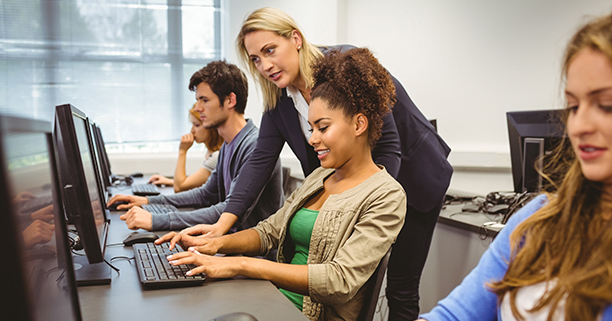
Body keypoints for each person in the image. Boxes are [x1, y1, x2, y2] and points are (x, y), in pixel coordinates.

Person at [190, 7, 453, 319]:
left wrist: (367, 202)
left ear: (296, 39)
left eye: (270, 50)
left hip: (413, 175)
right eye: (256, 59)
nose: (265, 65)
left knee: (400, 284)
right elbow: (260, 160)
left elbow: (389, 147)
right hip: (358, 184)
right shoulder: (281, 98)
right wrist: (222, 227)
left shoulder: (346, 67)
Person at [157, 47, 406, 321]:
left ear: (359, 124)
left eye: (323, 128)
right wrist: (215, 244)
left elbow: (339, 280)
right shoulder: (319, 178)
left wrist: (240, 264)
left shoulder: (386, 195)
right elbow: (268, 232)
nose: (312, 140)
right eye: (311, 129)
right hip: (271, 297)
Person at [419, 13, 612, 321]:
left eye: (606, 105)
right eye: (573, 106)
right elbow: (455, 315)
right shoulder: (540, 218)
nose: (579, 126)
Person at [106, 60, 284, 232]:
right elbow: (205, 195)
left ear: (230, 100)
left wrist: (156, 220)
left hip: (256, 255)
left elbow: (227, 210)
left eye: (204, 100)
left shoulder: (255, 146)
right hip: (231, 245)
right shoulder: (228, 145)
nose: (198, 108)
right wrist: (148, 202)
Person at [148, 104, 223, 193]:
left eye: (197, 125)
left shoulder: (216, 156)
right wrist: (171, 182)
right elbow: (202, 184)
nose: (192, 130)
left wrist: (182, 151)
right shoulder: (210, 152)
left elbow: (179, 188)